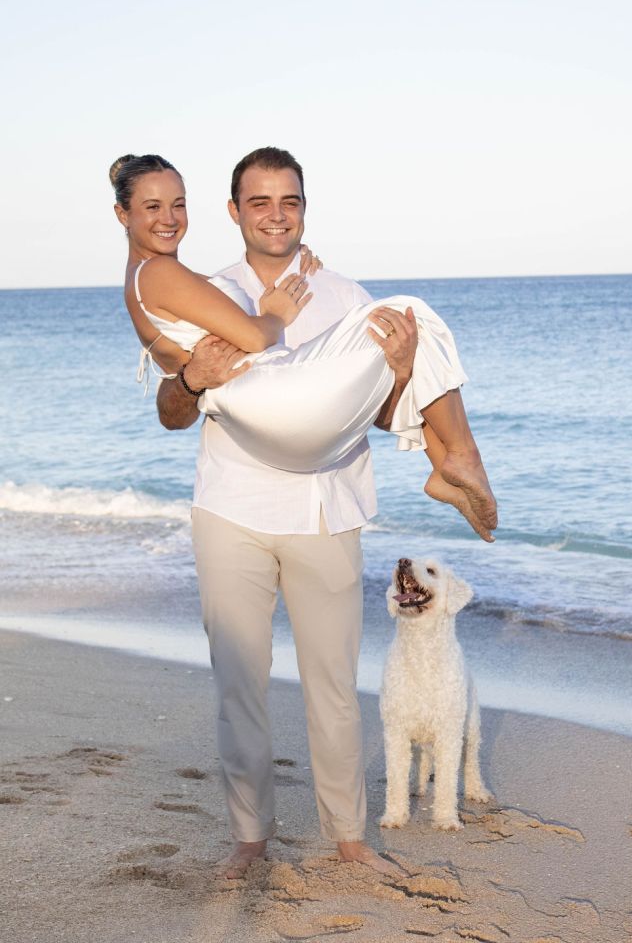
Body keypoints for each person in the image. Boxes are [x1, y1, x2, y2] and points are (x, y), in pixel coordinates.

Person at [116, 148, 497, 877]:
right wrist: (191, 376)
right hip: (233, 507)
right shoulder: (207, 287)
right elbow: (170, 409)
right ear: (235, 212)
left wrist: (404, 373)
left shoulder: (346, 296)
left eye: (288, 201)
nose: (275, 215)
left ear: (303, 209)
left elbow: (373, 411)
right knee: (240, 684)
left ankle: (349, 838)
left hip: (327, 508)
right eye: (259, 202)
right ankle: (249, 838)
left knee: (334, 686)